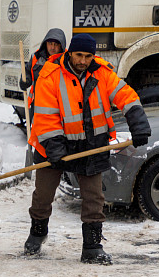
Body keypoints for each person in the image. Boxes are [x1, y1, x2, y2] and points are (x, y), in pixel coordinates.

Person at [25, 33, 151, 264]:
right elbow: (45, 116)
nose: (83, 61)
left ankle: (92, 247)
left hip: (91, 146)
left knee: (94, 198)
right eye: (79, 55)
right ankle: (37, 232)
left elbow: (125, 96)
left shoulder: (102, 73)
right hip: (52, 145)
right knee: (43, 196)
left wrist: (138, 124)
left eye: (88, 56)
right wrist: (55, 149)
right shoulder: (50, 75)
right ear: (70, 53)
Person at [19, 28, 66, 119]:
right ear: (45, 44)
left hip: (59, 106)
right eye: (50, 44)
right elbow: (28, 71)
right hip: (38, 106)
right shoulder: (36, 57)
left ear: (61, 45)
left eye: (56, 44)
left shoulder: (66, 60)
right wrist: (25, 80)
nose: (52, 47)